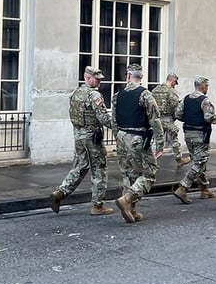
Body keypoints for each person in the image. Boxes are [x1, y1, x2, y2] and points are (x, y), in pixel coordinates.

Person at [50, 66, 115, 215]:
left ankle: (60, 192)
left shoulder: (76, 93)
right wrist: (118, 126)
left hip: (78, 134)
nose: (99, 82)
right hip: (92, 137)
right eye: (96, 79)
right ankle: (98, 205)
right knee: (99, 168)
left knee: (80, 166)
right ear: (88, 78)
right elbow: (103, 118)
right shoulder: (94, 96)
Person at [113, 63, 165, 223]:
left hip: (122, 136)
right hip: (138, 137)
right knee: (149, 172)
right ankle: (128, 199)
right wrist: (160, 142)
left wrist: (118, 137)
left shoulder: (118, 95)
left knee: (129, 173)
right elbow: (155, 119)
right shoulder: (145, 95)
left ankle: (131, 209)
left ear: (128, 76)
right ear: (140, 77)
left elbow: (114, 120)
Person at [173, 76, 216, 203]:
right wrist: (215, 118)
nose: (207, 88)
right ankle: (183, 187)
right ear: (203, 86)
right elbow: (208, 117)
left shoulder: (186, 99)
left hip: (188, 133)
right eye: (207, 86)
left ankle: (204, 189)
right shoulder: (205, 101)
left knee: (198, 159)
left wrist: (189, 119)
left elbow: (178, 114)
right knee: (200, 161)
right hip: (200, 133)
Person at [151, 73, 192, 167]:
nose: (175, 84)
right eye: (175, 82)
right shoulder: (171, 91)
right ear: (172, 81)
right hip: (168, 119)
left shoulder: (155, 90)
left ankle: (152, 161)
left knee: (156, 140)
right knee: (174, 140)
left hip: (157, 119)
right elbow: (175, 107)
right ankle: (179, 159)